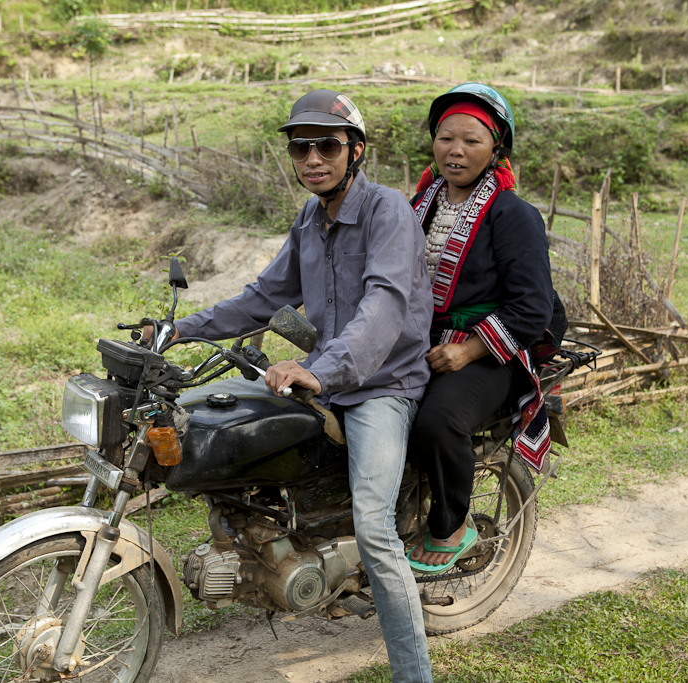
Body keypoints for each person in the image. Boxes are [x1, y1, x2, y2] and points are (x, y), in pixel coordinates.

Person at [168, 90, 435, 683]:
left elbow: (384, 308)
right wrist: (179, 329)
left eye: (327, 145)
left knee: (374, 525)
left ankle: (413, 674)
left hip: (380, 385)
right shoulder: (310, 220)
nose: (313, 157)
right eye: (300, 146)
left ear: (355, 150)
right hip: (326, 378)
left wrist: (319, 369)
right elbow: (264, 298)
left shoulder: (388, 211)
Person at [405, 84, 555, 574]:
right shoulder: (417, 205)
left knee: (437, 420)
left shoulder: (513, 215)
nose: (456, 150)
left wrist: (468, 351)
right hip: (419, 341)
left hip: (493, 351)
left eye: (472, 140)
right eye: (446, 138)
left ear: (497, 149)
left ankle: (451, 523)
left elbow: (532, 307)